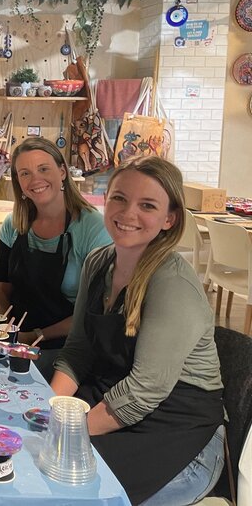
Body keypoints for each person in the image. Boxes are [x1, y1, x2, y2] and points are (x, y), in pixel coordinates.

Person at [52, 157, 224, 506]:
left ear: (169, 219)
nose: (128, 213)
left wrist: (63, 433)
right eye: (119, 198)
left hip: (178, 434)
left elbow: (146, 390)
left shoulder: (172, 282)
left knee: (72, 492)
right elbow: (78, 351)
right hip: (115, 401)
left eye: (147, 205)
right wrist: (50, 411)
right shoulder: (99, 262)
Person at [0, 137, 111, 379]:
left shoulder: (92, 228)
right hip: (20, 338)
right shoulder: (14, 224)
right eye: (24, 173)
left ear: (63, 172)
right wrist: (10, 330)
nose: (35, 180)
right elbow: (0, 287)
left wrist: (34, 335)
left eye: (43, 169)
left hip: (69, 347)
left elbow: (96, 310)